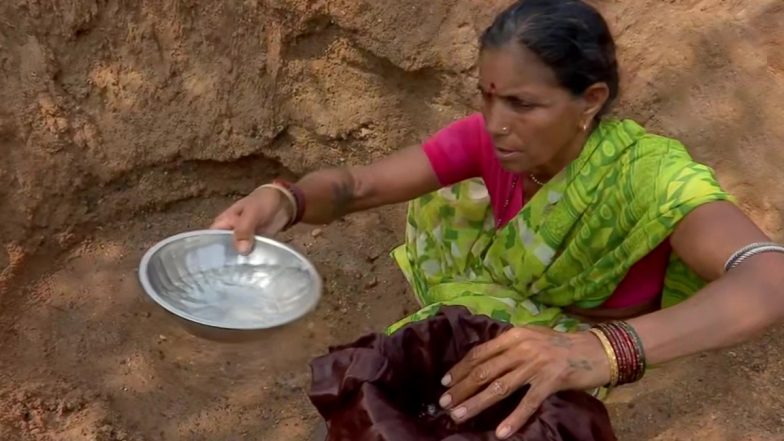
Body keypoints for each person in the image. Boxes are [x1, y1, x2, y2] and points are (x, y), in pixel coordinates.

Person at [211, 0, 784, 438]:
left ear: (590, 100)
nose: (494, 123)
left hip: (593, 340)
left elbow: (768, 276)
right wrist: (283, 200)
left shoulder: (646, 177)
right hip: (503, 301)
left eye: (522, 104)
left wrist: (597, 351)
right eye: (487, 97)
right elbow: (359, 186)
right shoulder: (491, 144)